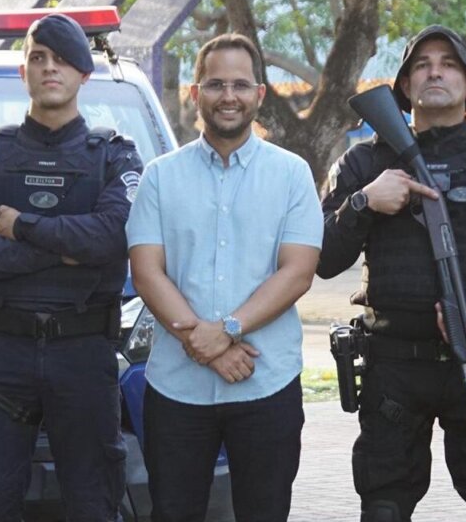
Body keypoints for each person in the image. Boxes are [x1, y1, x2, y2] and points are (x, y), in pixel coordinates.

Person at [317, 24, 466, 522]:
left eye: (448, 65)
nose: (435, 73)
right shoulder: (364, 164)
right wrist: (364, 203)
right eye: (422, 65)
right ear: (405, 86)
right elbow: (322, 258)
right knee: (384, 504)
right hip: (393, 363)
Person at [0, 14, 142, 522]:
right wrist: (70, 250)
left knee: (94, 502)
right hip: (1, 354)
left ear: (84, 74)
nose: (49, 68)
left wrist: (22, 226)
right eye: (38, 58)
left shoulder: (115, 157)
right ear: (23, 72)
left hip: (84, 352)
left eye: (62, 59)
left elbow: (115, 237)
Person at [126, 33, 323, 522]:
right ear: (196, 93)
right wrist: (206, 344)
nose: (228, 96)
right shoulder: (160, 177)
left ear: (260, 93)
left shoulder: (292, 175)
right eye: (215, 84)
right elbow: (147, 273)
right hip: (177, 390)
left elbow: (298, 272)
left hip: (266, 384)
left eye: (240, 85)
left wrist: (228, 329)